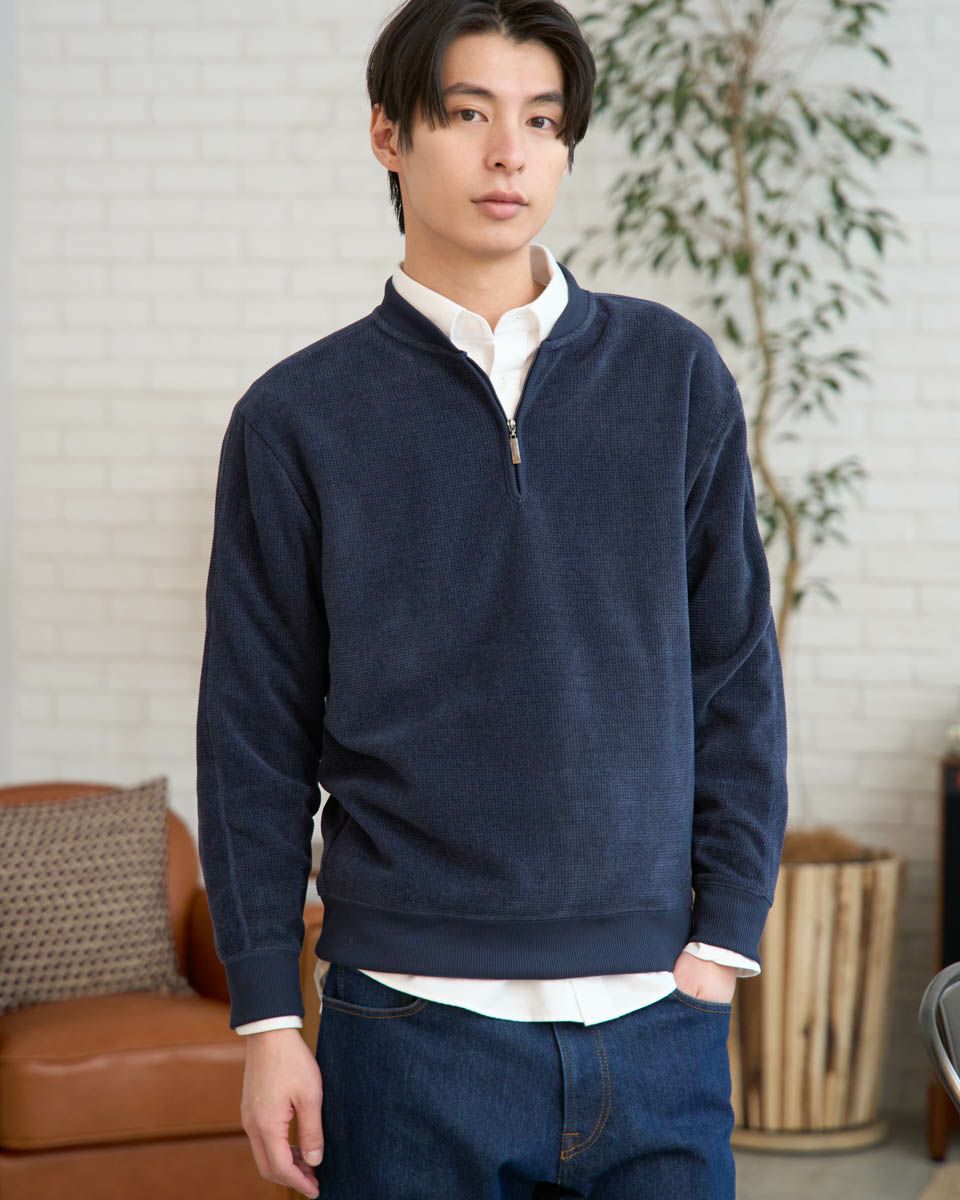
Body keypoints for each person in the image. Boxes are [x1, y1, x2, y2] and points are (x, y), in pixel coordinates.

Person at [195, 1, 789, 1197]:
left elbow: (734, 675)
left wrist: (723, 940)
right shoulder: (296, 419)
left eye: (543, 121)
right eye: (468, 114)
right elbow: (252, 738)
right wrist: (268, 1021)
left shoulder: (673, 375)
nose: (509, 153)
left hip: (657, 1026)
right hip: (408, 1036)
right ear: (389, 133)